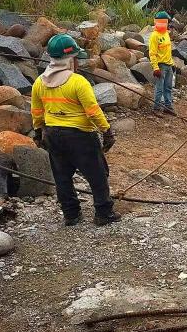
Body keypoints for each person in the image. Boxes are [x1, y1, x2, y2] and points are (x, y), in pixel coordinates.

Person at [30, 34, 120, 227]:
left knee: (62, 177)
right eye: (76, 57)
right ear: (70, 59)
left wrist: (38, 133)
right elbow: (93, 111)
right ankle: (104, 213)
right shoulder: (78, 82)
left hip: (53, 134)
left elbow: (36, 112)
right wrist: (106, 131)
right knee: (97, 174)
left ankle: (71, 215)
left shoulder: (39, 82)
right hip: (80, 136)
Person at [149, 11, 176, 116]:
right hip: (161, 66)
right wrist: (155, 68)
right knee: (159, 88)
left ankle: (168, 107)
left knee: (168, 87)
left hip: (168, 65)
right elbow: (152, 53)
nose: (168, 23)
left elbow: (168, 51)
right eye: (167, 21)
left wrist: (172, 64)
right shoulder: (154, 36)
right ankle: (156, 108)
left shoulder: (166, 33)